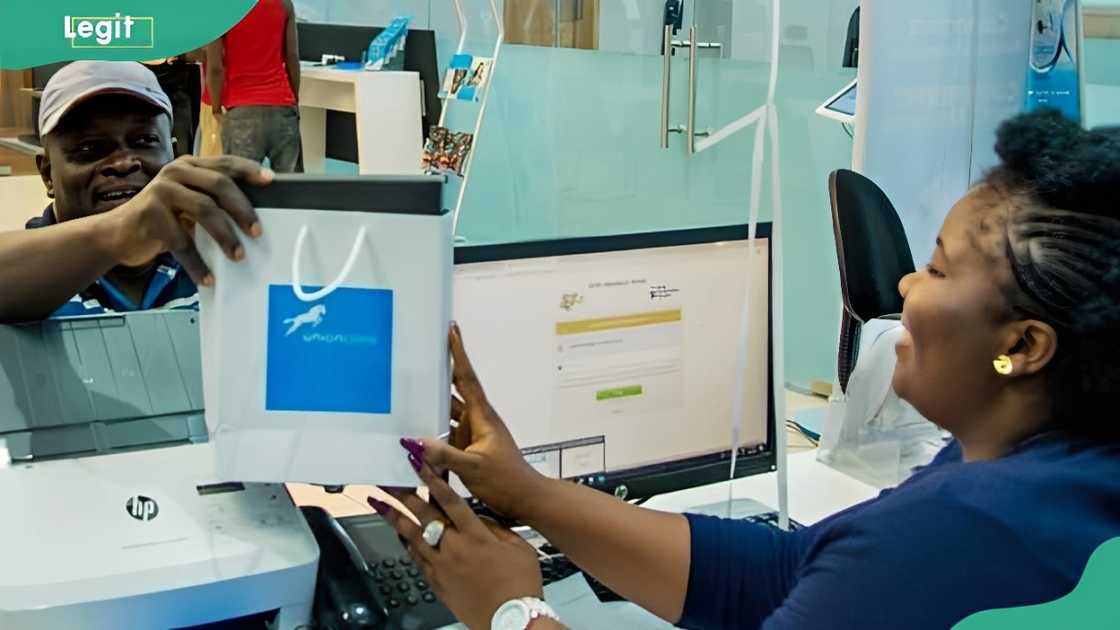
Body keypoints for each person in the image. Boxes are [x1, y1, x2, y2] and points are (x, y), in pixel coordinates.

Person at [369, 109, 1120, 630]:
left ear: (1023, 348)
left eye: (936, 269)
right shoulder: (1055, 469)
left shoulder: (957, 533)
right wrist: (531, 492)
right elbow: (787, 573)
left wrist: (513, 610)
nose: (905, 287)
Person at [0, 60, 271, 324]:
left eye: (145, 141)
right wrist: (118, 233)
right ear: (47, 174)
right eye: (89, 149)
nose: (122, 163)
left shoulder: (217, 249)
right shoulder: (26, 271)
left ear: (174, 154)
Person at [206, 0, 303, 173]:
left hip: (240, 109)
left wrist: (215, 107)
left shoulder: (221, 9)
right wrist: (295, 99)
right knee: (292, 189)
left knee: (240, 191)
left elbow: (215, 67)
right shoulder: (284, 4)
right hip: (281, 105)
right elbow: (292, 57)